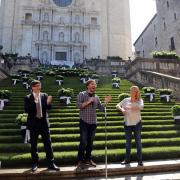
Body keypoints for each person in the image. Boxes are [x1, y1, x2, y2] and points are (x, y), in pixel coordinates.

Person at [24, 80, 59, 172]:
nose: (38, 87)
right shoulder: (28, 97)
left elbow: (48, 108)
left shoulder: (44, 95)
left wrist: (48, 103)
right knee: (33, 145)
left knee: (48, 144)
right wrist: (35, 101)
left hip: (44, 123)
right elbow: (27, 110)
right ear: (32, 87)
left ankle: (51, 163)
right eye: (36, 86)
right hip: (34, 124)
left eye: (39, 86)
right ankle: (35, 163)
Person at [77, 79, 111, 167]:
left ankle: (88, 159)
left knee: (90, 142)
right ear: (88, 85)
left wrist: (106, 103)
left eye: (95, 84)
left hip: (93, 122)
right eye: (92, 84)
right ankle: (80, 160)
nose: (94, 85)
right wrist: (89, 101)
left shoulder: (96, 97)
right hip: (84, 121)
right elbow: (79, 106)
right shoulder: (82, 94)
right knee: (83, 141)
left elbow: (101, 108)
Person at [116, 86, 144, 166]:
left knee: (138, 142)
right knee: (128, 143)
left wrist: (130, 106)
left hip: (137, 124)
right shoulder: (125, 100)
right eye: (132, 90)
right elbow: (117, 105)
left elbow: (141, 107)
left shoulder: (139, 100)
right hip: (127, 124)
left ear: (137, 92)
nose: (133, 92)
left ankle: (140, 160)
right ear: (130, 91)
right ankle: (127, 159)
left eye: (135, 91)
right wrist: (122, 109)